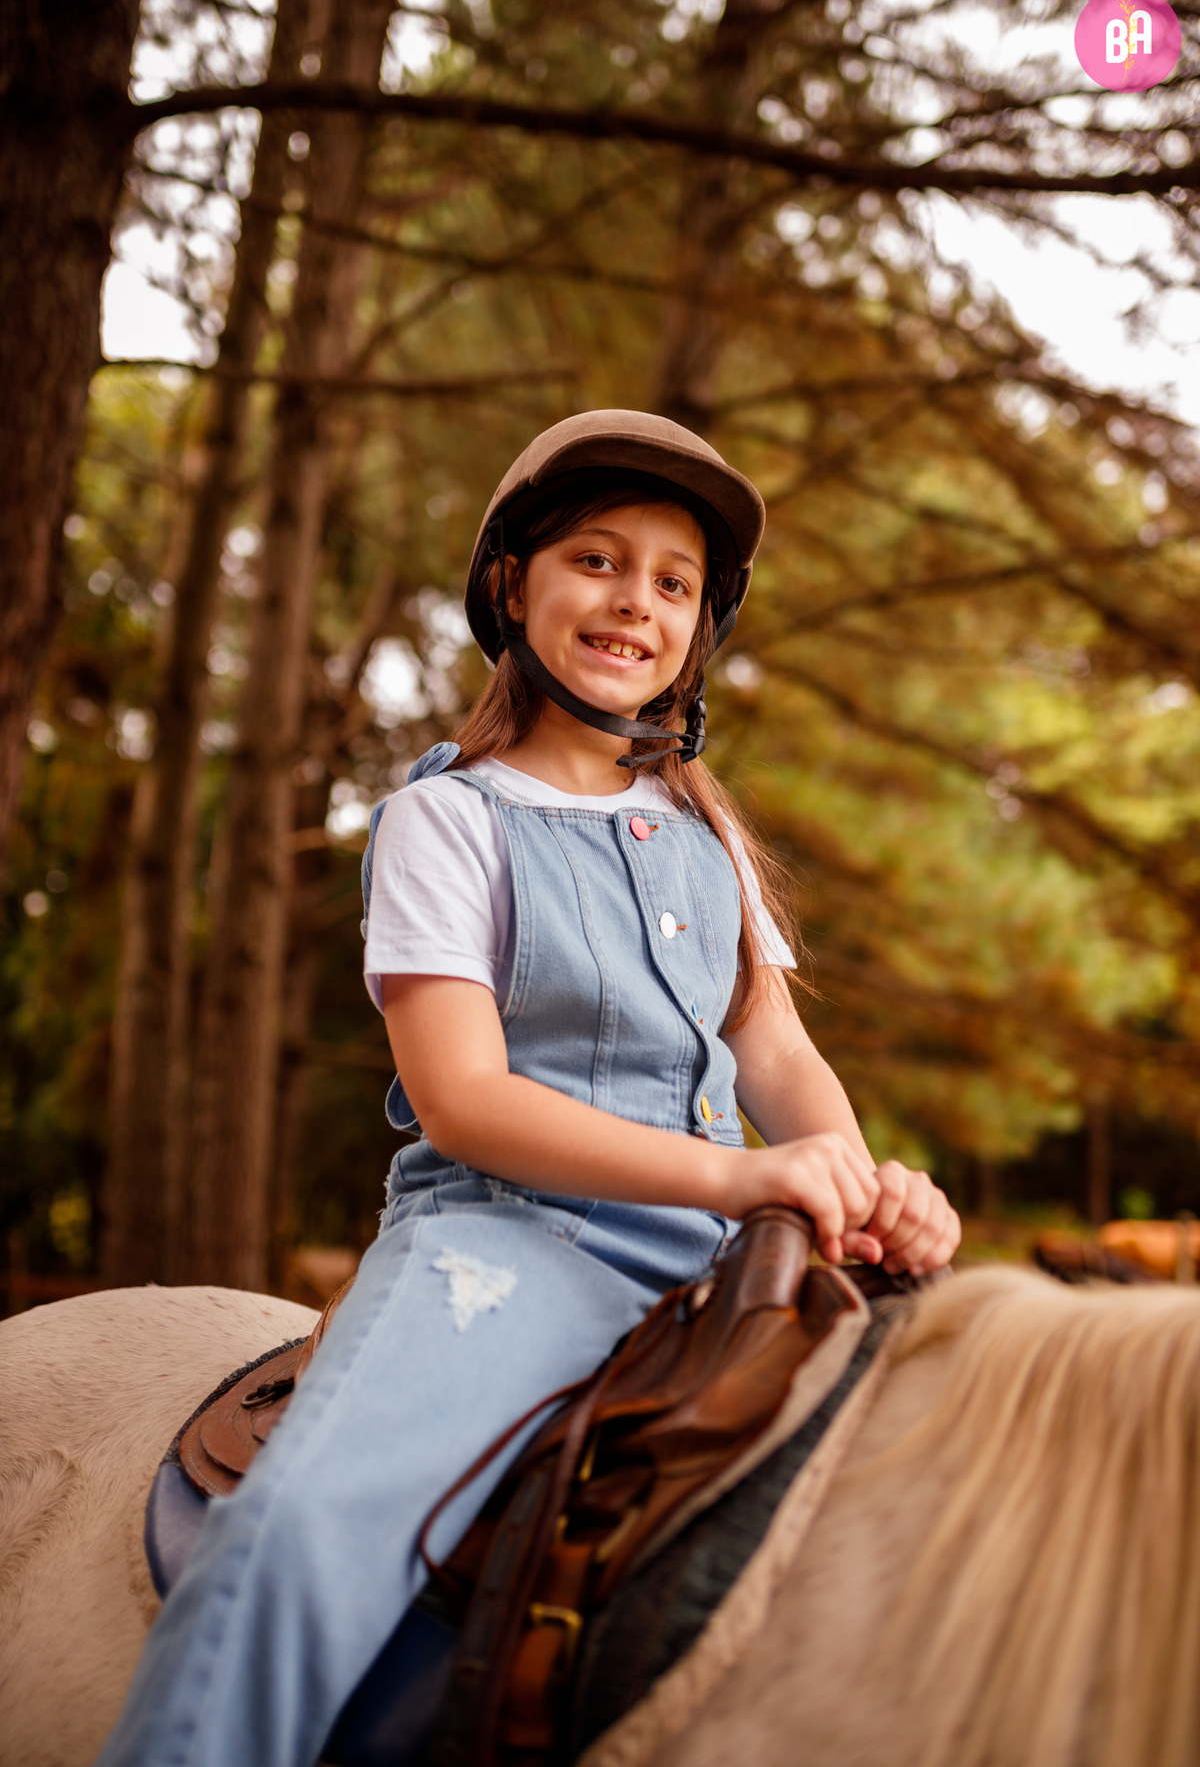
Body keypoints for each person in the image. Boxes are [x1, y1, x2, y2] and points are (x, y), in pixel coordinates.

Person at [98, 411, 959, 1767]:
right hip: (505, 1248)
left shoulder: (705, 835)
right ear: (515, 586)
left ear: (700, 628)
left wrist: (856, 1185)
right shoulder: (446, 821)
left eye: (675, 582)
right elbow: (462, 1102)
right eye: (599, 561)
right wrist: (747, 1174)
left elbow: (776, 1055)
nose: (637, 603)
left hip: (722, 1262)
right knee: (302, 1532)